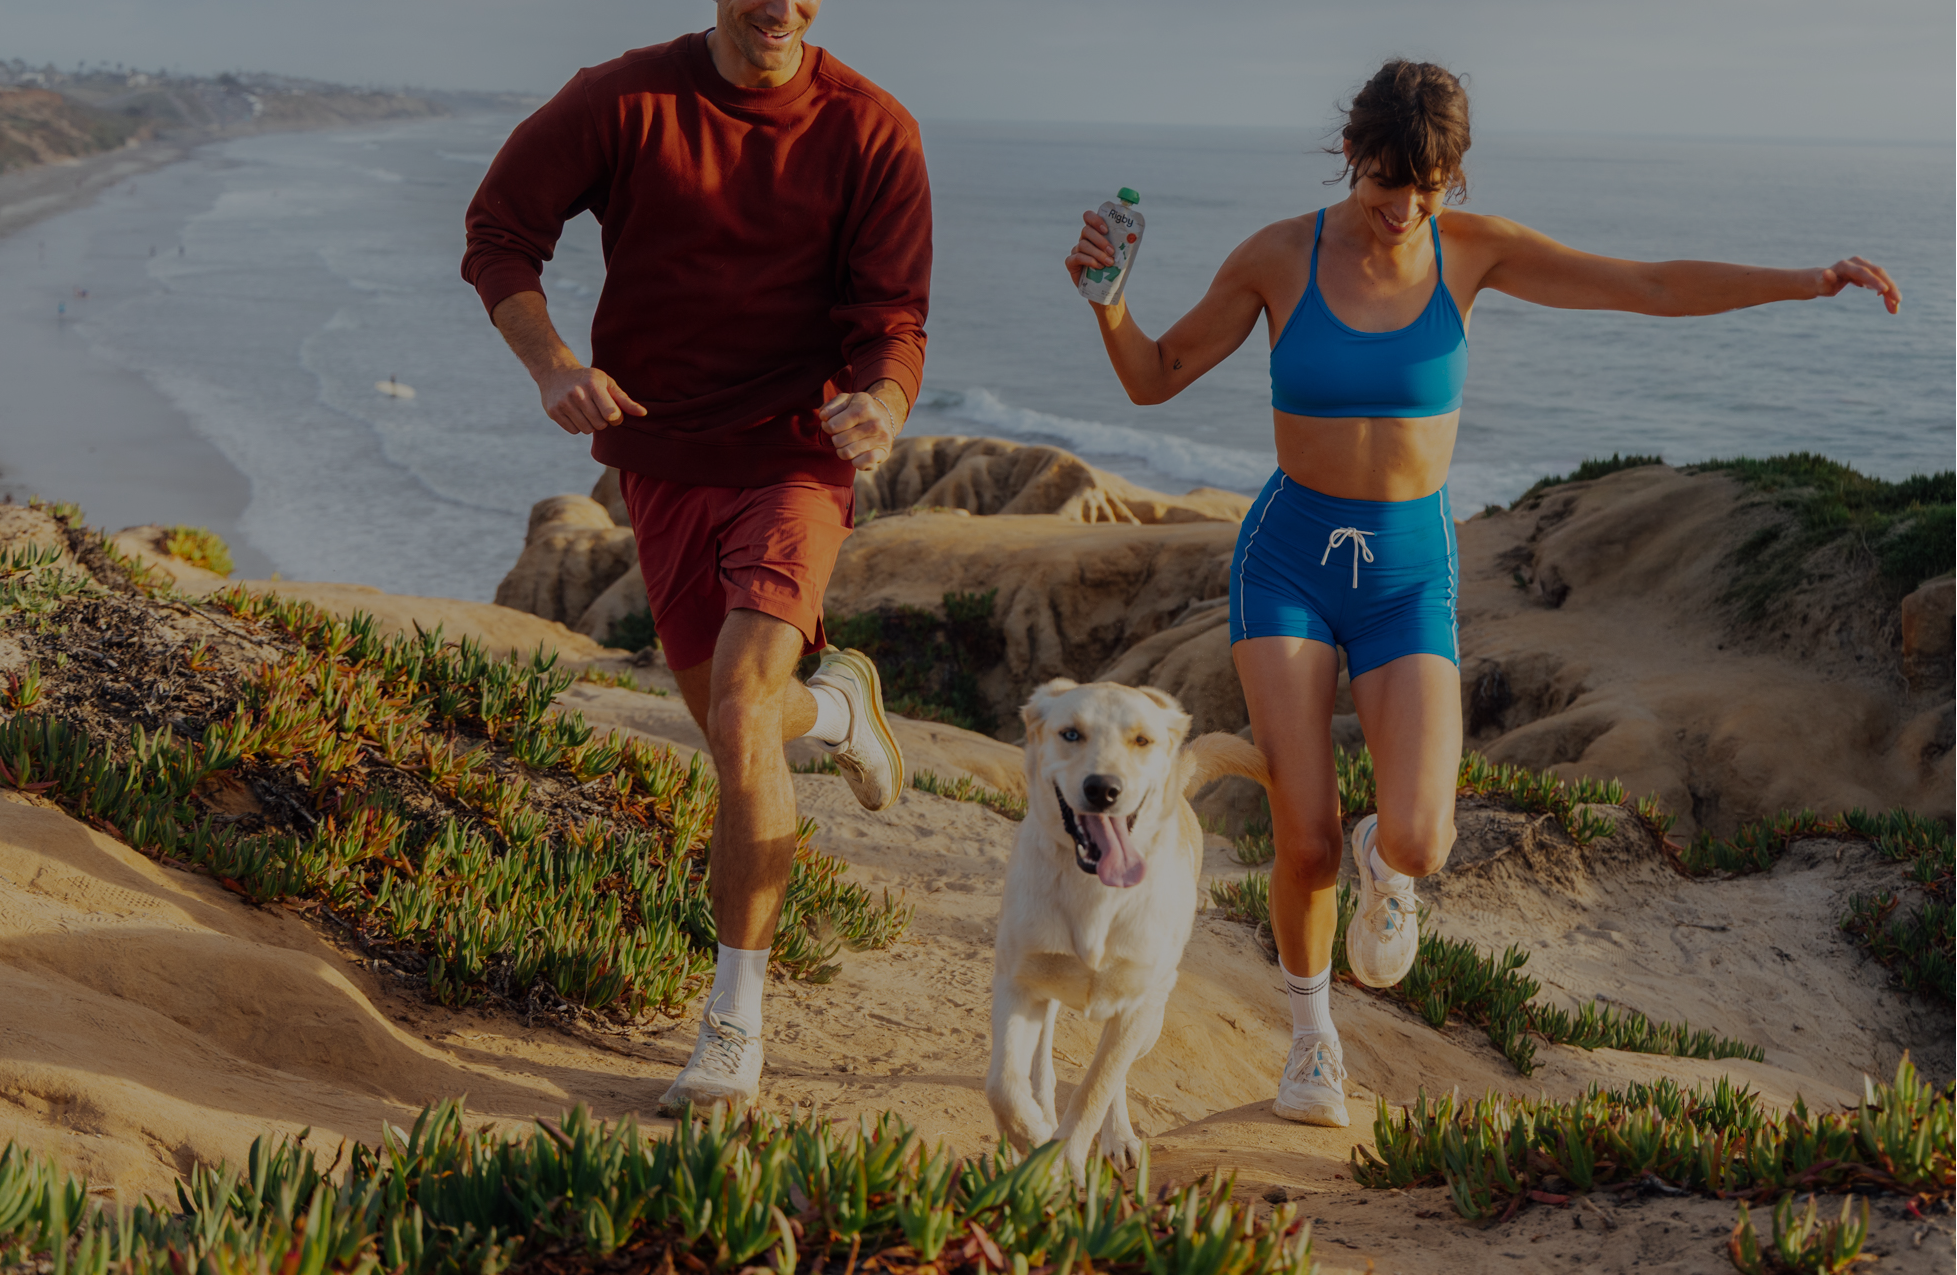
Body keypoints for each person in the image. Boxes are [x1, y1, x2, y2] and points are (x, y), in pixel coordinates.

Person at [1064, 59, 1898, 1129]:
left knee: (1417, 838)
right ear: (1349, 156)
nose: (1402, 209)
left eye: (1427, 187)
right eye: (1381, 182)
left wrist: (1805, 280)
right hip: (1291, 559)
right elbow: (1155, 373)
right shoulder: (1278, 256)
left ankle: (1385, 865)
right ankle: (1312, 1041)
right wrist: (1109, 303)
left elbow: (1644, 286)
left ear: (1454, 176)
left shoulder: (1473, 251)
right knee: (1303, 835)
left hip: (1405, 566)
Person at [462, 0, 931, 1115]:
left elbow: (893, 315)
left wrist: (883, 399)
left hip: (794, 458)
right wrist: (552, 366)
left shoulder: (873, 127)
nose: (777, 4)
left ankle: (732, 1025)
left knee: (736, 705)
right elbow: (499, 233)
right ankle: (841, 713)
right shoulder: (621, 98)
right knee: (742, 730)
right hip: (662, 461)